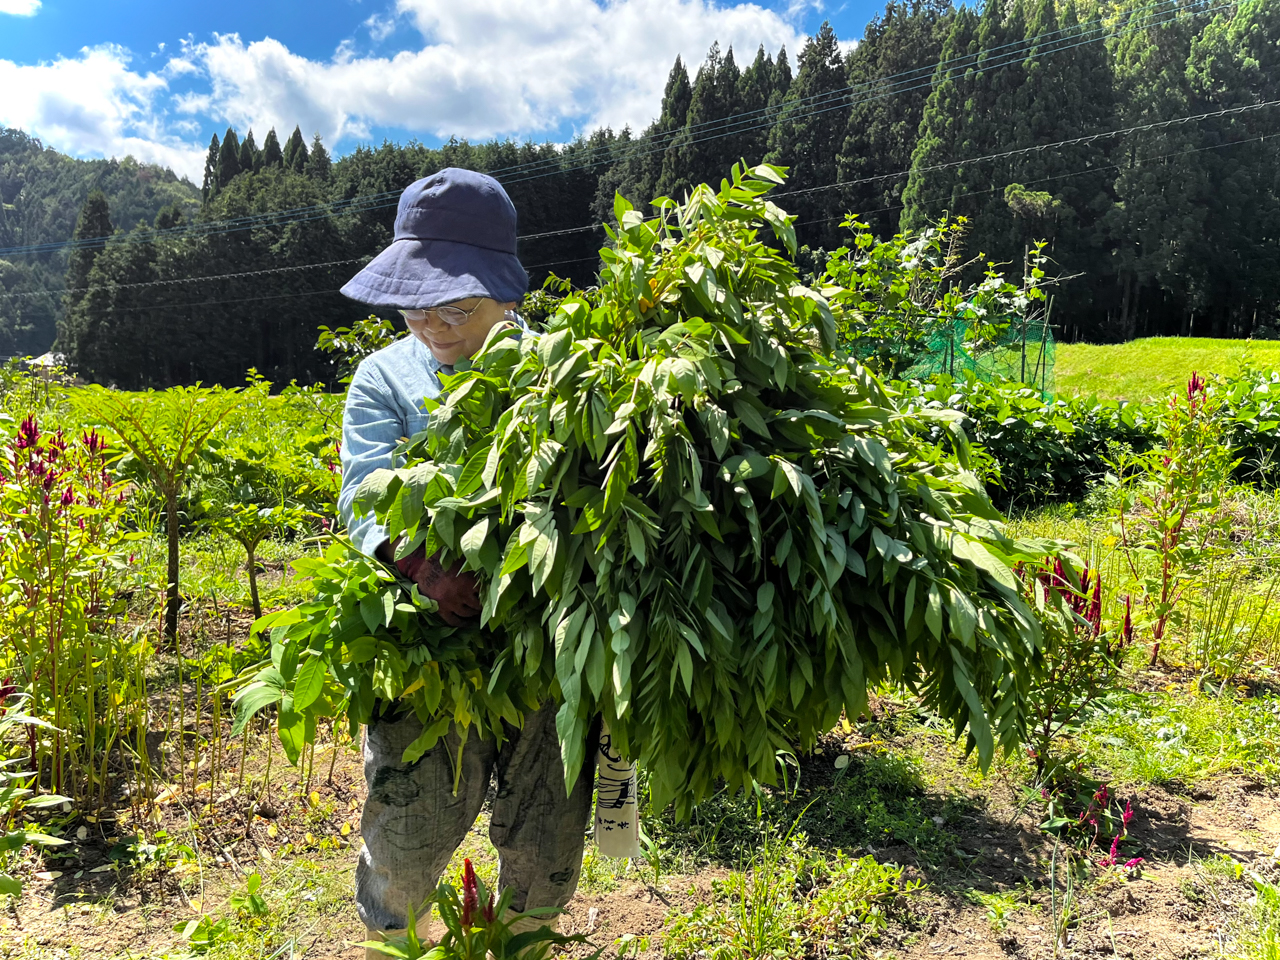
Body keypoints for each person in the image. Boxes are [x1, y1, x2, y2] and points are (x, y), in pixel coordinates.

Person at [337, 168, 597, 953]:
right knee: (408, 830)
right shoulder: (384, 379)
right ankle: (404, 942)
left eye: (456, 303)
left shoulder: (563, 370)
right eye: (416, 300)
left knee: (546, 832)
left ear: (505, 294)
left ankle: (519, 942)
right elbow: (361, 496)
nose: (432, 320)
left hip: (546, 651)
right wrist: (420, 567)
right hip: (431, 648)